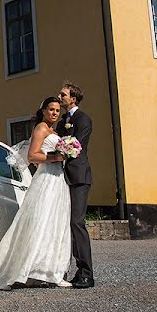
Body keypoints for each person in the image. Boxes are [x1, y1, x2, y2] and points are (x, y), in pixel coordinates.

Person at [0, 97, 71, 290]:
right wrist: (56, 157)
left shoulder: (54, 131)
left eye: (57, 111)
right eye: (51, 109)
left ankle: (50, 271)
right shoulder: (41, 129)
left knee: (55, 223)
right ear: (43, 111)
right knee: (40, 222)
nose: (54, 113)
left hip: (58, 179)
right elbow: (32, 156)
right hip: (46, 179)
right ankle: (21, 270)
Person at [58, 81, 94, 289]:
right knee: (67, 224)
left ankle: (87, 273)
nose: (60, 97)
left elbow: (77, 145)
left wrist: (62, 151)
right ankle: (72, 270)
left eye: (63, 95)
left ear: (73, 98)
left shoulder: (83, 119)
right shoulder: (63, 122)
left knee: (77, 223)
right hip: (63, 177)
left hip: (79, 176)